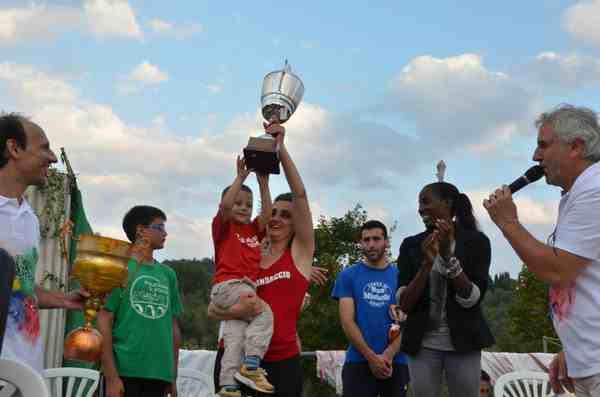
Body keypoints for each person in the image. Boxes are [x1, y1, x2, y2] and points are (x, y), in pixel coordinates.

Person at [484, 104, 600, 397]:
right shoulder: (581, 192)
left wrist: (508, 222)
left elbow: (558, 271)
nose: (536, 156)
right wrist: (574, 350)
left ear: (575, 147)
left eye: (543, 146)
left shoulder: (595, 190)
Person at [209, 121, 315, 397]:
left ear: (296, 225)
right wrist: (233, 311)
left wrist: (281, 149)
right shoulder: (247, 253)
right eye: (275, 213)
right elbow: (212, 310)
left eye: (286, 215)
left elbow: (301, 196)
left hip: (281, 363)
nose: (277, 218)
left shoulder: (300, 255)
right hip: (235, 357)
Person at [0, 113, 88, 372]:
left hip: (27, 368)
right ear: (14, 148)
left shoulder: (29, 217)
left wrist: (64, 300)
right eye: (44, 147)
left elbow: (20, 285)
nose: (52, 157)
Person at [397, 179, 494, 397]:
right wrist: (427, 264)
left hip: (464, 342)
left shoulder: (476, 242)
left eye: (425, 201)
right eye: (419, 203)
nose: (420, 208)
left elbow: (472, 298)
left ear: (447, 203)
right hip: (421, 345)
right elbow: (404, 304)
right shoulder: (411, 245)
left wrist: (448, 258)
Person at [97, 206, 182, 397]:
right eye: (159, 227)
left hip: (159, 375)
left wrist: (172, 376)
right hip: (124, 372)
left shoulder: (168, 275)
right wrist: (111, 377)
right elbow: (104, 320)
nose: (165, 233)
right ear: (141, 230)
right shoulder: (117, 268)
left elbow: (173, 327)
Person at [211, 156, 273, 397]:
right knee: (265, 313)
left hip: (241, 292)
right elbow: (225, 208)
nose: (243, 208)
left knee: (234, 337)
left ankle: (228, 385)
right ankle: (252, 365)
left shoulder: (253, 230)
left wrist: (263, 184)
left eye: (248, 205)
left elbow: (266, 214)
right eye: (238, 203)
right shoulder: (224, 228)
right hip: (230, 286)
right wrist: (240, 177)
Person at [332, 220, 409, 397]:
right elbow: (347, 322)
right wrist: (372, 358)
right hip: (358, 361)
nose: (371, 244)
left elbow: (409, 322)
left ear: (386, 242)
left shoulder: (402, 276)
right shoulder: (348, 275)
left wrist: (388, 355)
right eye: (366, 240)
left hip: (396, 362)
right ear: (360, 243)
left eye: (376, 239)